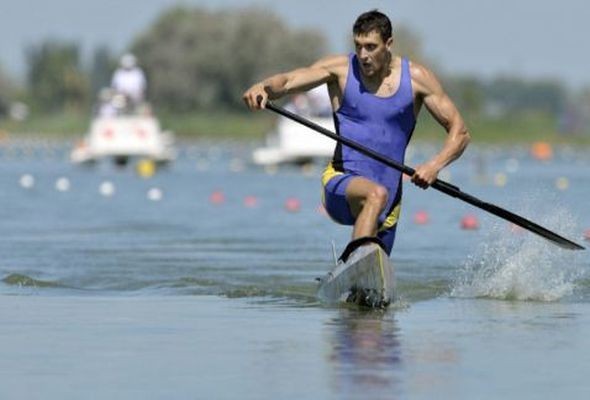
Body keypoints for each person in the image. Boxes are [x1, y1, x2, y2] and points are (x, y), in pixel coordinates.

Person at [243, 10, 471, 256]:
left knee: (373, 279)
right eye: (358, 46)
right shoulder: (340, 70)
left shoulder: (418, 79)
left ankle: (353, 268)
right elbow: (287, 81)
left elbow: (460, 132)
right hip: (341, 183)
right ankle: (356, 261)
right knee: (375, 194)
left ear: (389, 44)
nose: (363, 55)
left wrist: (434, 166)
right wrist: (263, 86)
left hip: (390, 201)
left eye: (371, 47)